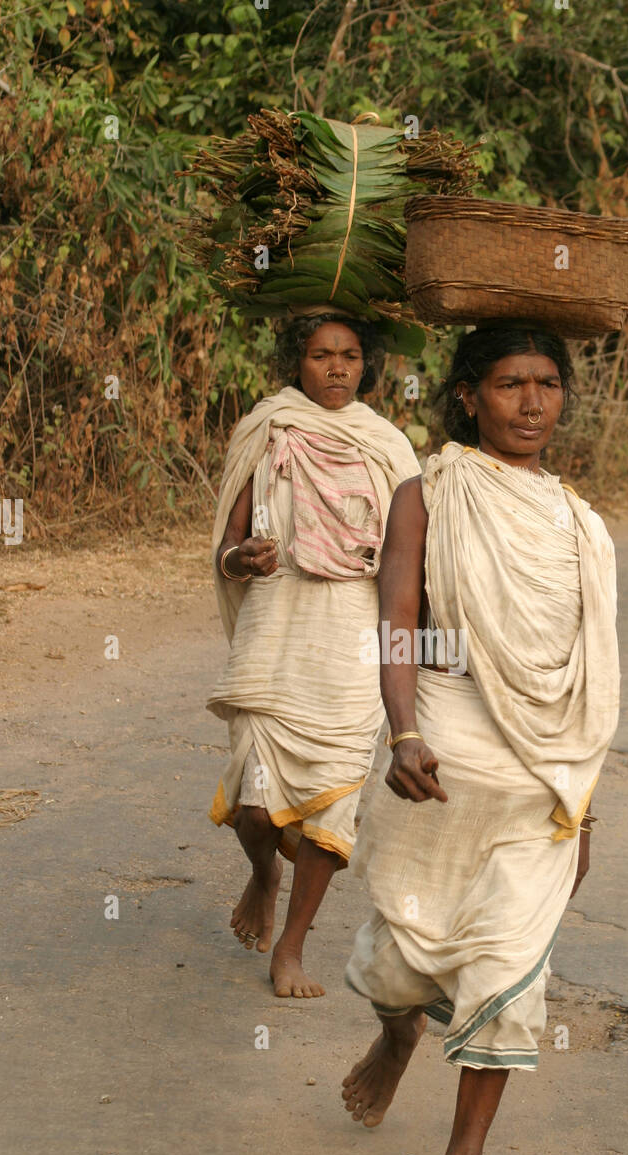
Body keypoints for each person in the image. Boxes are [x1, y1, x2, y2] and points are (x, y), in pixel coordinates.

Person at [342, 322, 620, 1155]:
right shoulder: (429, 494)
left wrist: (584, 801)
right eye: (509, 384)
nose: (532, 401)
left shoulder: (578, 522)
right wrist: (402, 731)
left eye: (546, 382)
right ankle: (395, 1038)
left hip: (543, 772)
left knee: (510, 964)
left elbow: (589, 671)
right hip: (445, 751)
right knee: (402, 961)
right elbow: (397, 620)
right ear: (468, 395)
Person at [207, 311, 421, 998]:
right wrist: (243, 557)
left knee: (334, 794)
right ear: (293, 362)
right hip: (276, 622)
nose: (336, 368)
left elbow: (409, 559)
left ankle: (291, 949)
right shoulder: (267, 431)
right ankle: (264, 872)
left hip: (354, 632)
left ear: (368, 364)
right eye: (321, 354)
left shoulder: (386, 446)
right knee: (253, 805)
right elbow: (228, 545)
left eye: (350, 355)